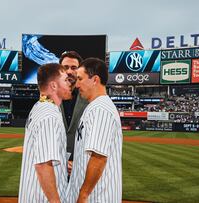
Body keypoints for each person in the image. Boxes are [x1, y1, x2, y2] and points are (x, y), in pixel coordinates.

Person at [66, 58, 123, 203]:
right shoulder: (93, 106)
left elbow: (99, 157)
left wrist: (83, 195)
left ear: (95, 80)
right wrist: (78, 165)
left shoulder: (101, 109)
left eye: (80, 79)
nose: (77, 84)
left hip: (96, 196)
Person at [18, 63, 72, 203]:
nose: (69, 83)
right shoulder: (49, 115)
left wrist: (63, 163)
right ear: (54, 86)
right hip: (42, 198)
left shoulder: (40, 107)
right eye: (65, 80)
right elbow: (42, 165)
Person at [59, 51, 89, 174]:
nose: (69, 71)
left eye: (74, 68)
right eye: (65, 67)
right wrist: (61, 161)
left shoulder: (88, 97)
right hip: (56, 165)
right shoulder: (49, 96)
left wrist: (79, 162)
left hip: (81, 167)